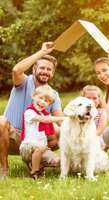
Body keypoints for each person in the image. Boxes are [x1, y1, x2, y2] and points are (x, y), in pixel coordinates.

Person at [0, 42, 63, 177]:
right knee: (1, 121)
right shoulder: (23, 82)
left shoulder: (53, 95)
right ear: (34, 69)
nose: (45, 71)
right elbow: (16, 70)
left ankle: (35, 161)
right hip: (12, 137)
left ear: (52, 73)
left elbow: (61, 122)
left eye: (49, 69)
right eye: (42, 68)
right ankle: (4, 169)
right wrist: (42, 52)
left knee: (59, 131)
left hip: (36, 139)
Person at [20, 85, 65, 179]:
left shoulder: (44, 113)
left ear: (49, 104)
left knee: (57, 161)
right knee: (40, 147)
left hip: (42, 148)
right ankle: (34, 172)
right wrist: (63, 118)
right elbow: (45, 120)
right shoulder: (29, 112)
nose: (42, 102)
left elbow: (50, 122)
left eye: (46, 101)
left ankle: (37, 165)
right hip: (27, 148)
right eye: (40, 98)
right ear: (33, 96)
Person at [82, 85, 108, 150]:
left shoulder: (101, 112)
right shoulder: (80, 113)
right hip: (82, 137)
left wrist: (89, 139)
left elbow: (99, 130)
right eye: (88, 98)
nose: (91, 101)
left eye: (94, 98)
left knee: (99, 142)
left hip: (96, 137)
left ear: (99, 100)